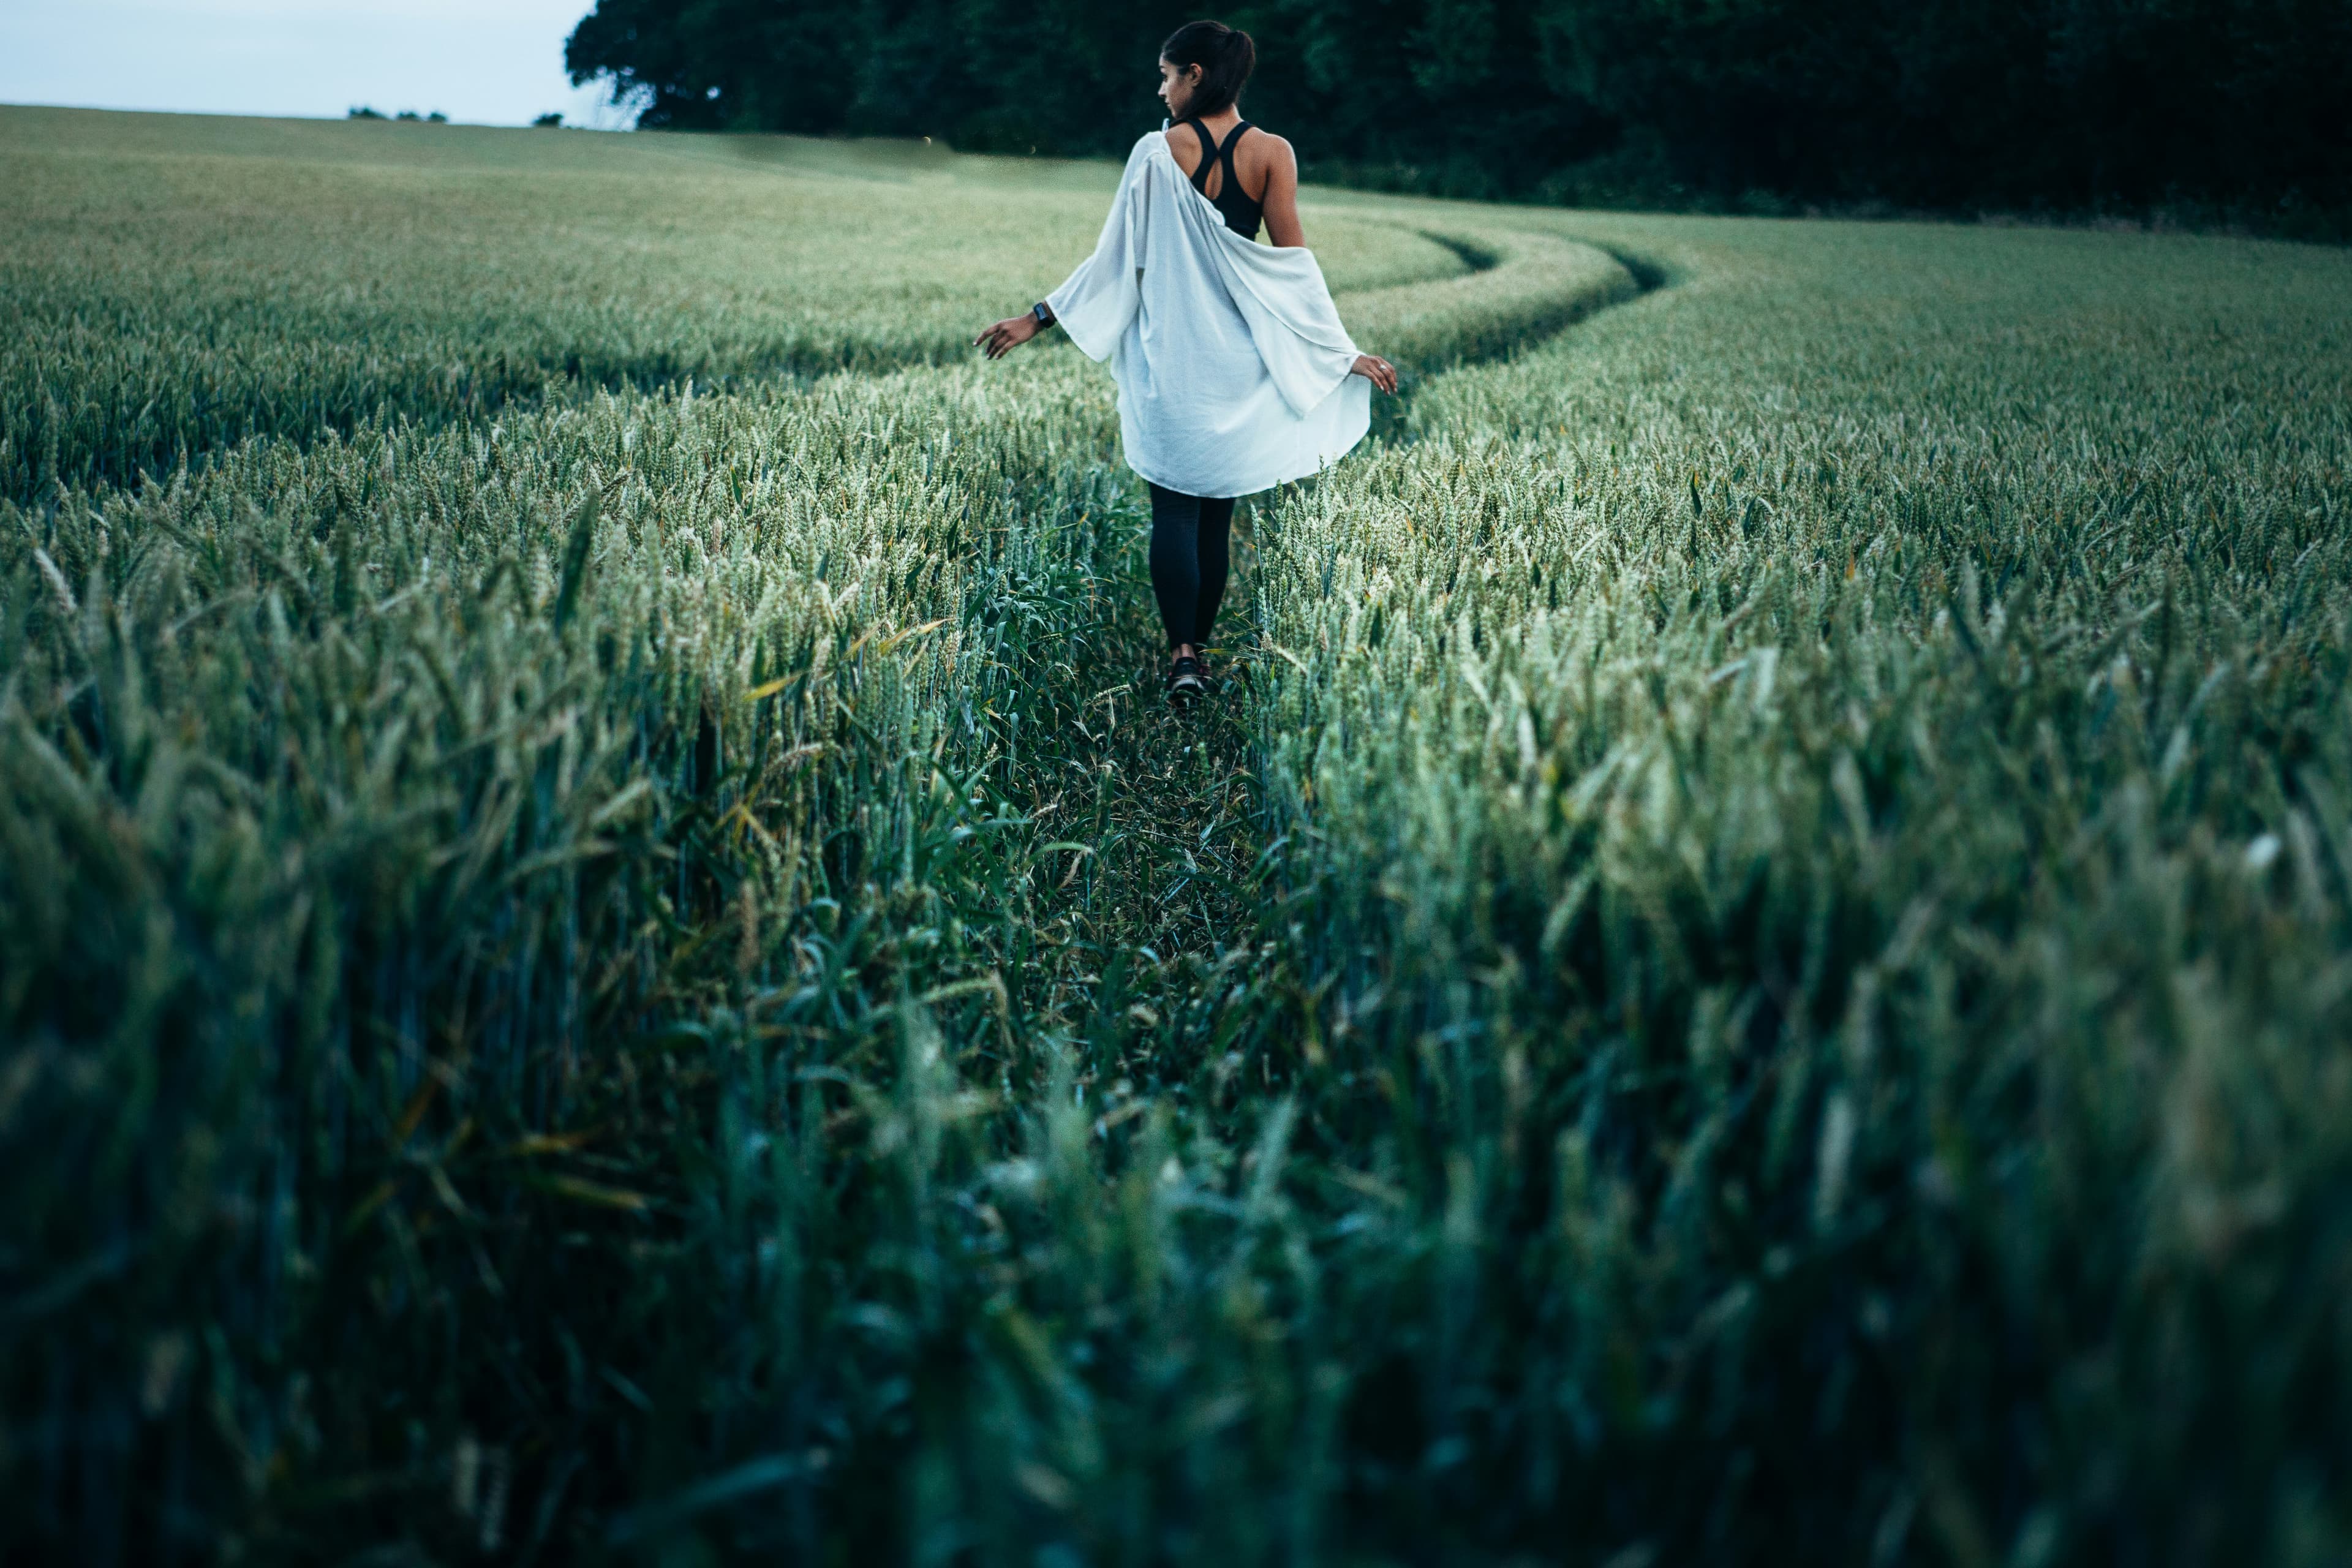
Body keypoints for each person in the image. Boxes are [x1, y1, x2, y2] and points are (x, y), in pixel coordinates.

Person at [976, 19, 1397, 705]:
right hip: (1239, 364)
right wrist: (1338, 353)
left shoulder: (1153, 152)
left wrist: (1039, 317)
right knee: (1216, 512)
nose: (1162, 89)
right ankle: (1198, 657)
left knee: (1172, 508)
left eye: (1168, 75)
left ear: (1196, 74)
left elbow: (1114, 258)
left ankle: (1181, 657)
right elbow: (1292, 271)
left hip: (1171, 360)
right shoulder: (1272, 153)